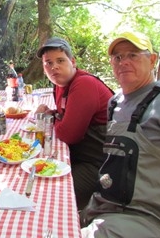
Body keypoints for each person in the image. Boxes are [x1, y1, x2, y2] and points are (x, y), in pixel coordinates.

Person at [80, 31, 160, 237]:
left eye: (133, 55)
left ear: (152, 60)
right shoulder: (114, 102)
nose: (123, 62)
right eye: (117, 57)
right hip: (111, 209)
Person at [35, 37, 114, 209]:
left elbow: (68, 134)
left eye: (60, 61)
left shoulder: (84, 83)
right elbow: (66, 115)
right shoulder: (59, 84)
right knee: (34, 172)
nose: (53, 67)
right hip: (78, 156)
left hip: (100, 165)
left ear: (72, 62)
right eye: (48, 63)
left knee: (50, 197)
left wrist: (53, 118)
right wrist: (53, 114)